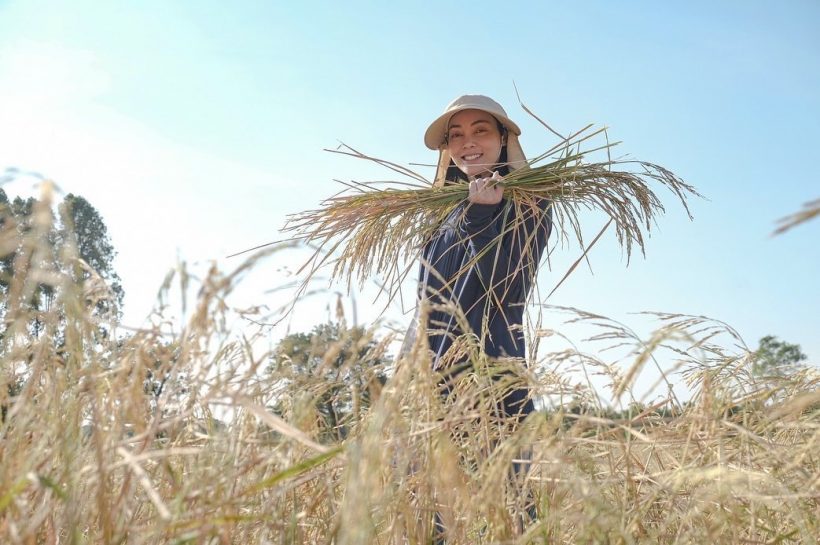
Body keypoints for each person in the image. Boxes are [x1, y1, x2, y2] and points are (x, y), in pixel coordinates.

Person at [407, 94, 553, 540]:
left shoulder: (529, 203)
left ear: (505, 139)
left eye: (481, 130)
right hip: (432, 383)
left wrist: (483, 216)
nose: (468, 143)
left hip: (494, 377)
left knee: (509, 513)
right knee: (431, 516)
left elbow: (502, 284)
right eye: (456, 135)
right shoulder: (444, 215)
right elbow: (426, 302)